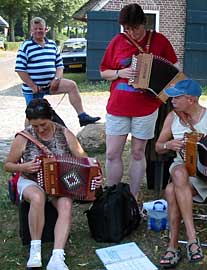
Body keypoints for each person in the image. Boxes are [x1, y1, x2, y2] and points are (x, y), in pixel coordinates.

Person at [3, 98, 103, 270]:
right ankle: (35, 251)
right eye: (35, 126)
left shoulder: (64, 133)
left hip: (60, 184)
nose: (40, 129)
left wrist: (96, 175)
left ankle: (57, 256)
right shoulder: (23, 137)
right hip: (30, 181)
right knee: (37, 196)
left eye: (44, 124)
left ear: (51, 118)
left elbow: (84, 160)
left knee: (66, 203)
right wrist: (23, 166)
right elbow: (8, 165)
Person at [155, 79, 207, 267]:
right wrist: (168, 145)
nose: (172, 100)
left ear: (191, 99)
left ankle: (173, 247)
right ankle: (192, 239)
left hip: (204, 174)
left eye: (177, 97)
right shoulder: (172, 118)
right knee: (178, 173)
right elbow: (158, 147)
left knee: (170, 191)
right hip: (180, 165)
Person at [99, 3, 178, 199]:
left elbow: (176, 69)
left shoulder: (159, 41)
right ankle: (112, 197)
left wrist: (162, 89)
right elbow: (103, 71)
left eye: (134, 28)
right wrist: (119, 73)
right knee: (111, 153)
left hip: (146, 107)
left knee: (137, 152)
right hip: (118, 106)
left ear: (144, 23)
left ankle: (133, 199)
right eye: (127, 28)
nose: (131, 32)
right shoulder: (117, 41)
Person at [15, 17, 100, 127]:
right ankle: (28, 136)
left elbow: (59, 66)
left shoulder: (52, 44)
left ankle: (82, 116)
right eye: (35, 29)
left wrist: (56, 79)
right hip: (33, 89)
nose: (38, 31)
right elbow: (20, 69)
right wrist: (32, 85)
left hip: (50, 84)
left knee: (71, 85)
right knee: (32, 114)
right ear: (31, 30)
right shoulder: (25, 46)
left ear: (46, 29)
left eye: (40, 29)